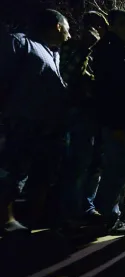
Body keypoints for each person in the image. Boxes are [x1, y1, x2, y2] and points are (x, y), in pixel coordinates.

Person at [0, 9, 70, 236]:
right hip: (21, 121)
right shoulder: (21, 43)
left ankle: (31, 220)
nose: (70, 35)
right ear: (58, 27)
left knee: (41, 175)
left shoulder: (55, 53)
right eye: (68, 29)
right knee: (12, 172)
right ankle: (5, 219)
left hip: (47, 127)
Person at [58, 11, 108, 230]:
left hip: (95, 114)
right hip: (77, 113)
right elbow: (67, 76)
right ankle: (69, 213)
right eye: (95, 26)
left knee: (95, 164)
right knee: (78, 163)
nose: (98, 32)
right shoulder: (72, 48)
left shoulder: (102, 55)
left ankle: (85, 207)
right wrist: (85, 48)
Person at [91, 9, 125, 235]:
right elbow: (111, 93)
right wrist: (117, 125)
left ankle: (112, 212)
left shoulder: (120, 51)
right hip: (116, 122)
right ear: (111, 27)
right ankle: (108, 215)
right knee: (117, 169)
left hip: (123, 121)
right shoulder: (111, 53)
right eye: (123, 25)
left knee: (121, 169)